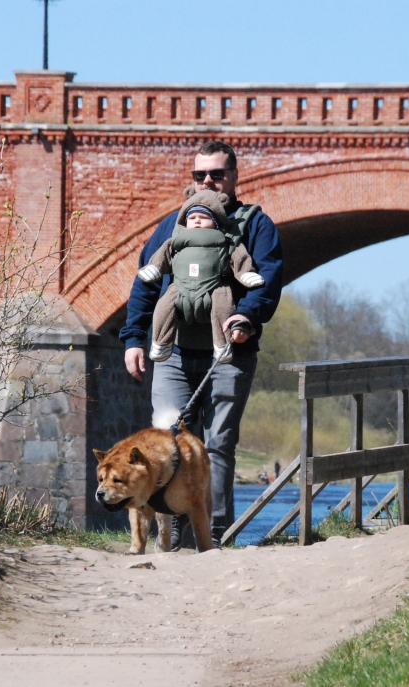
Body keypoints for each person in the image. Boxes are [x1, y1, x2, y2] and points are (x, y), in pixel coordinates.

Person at [120, 141, 283, 548]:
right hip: (174, 354)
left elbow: (266, 279)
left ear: (234, 177)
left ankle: (214, 534)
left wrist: (247, 316)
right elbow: (146, 282)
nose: (208, 181)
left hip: (230, 353)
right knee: (166, 441)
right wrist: (133, 338)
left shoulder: (255, 225)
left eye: (217, 174)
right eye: (199, 175)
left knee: (218, 444)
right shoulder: (172, 227)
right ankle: (167, 535)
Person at [137, 187, 265, 364]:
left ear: (216, 221)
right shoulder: (175, 241)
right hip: (180, 286)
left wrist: (245, 273)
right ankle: (160, 343)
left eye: (203, 218)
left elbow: (238, 257)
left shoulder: (224, 242)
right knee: (164, 307)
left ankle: (222, 345)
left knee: (223, 305)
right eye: (192, 218)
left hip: (216, 285)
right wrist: (155, 268)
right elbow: (163, 255)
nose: (197, 222)